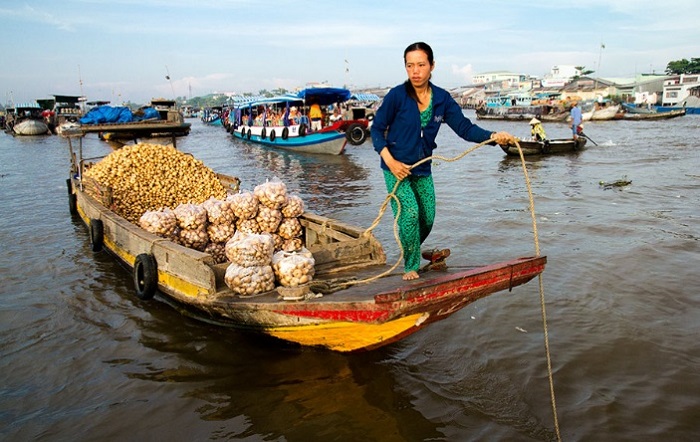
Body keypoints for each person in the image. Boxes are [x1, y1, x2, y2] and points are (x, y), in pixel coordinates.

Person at [370, 41, 517, 281]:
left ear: (432, 66)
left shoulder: (442, 99)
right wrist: (391, 162)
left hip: (423, 167)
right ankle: (410, 266)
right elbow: (376, 131)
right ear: (405, 68)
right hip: (395, 167)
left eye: (421, 64)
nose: (415, 71)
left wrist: (493, 137)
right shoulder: (397, 96)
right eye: (410, 65)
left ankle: (414, 249)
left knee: (427, 218)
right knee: (409, 213)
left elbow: (465, 128)